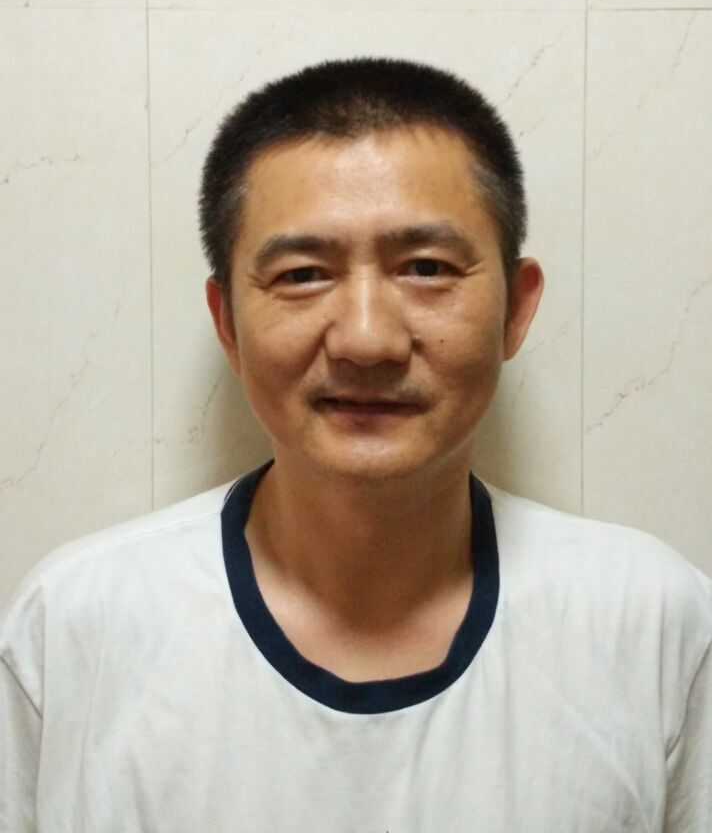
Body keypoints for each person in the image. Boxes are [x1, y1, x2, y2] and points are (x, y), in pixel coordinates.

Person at [1, 58, 709, 831]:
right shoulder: (76, 630)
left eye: (426, 268)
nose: (367, 340)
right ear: (227, 322)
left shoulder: (651, 624)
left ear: (515, 308)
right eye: (303, 274)